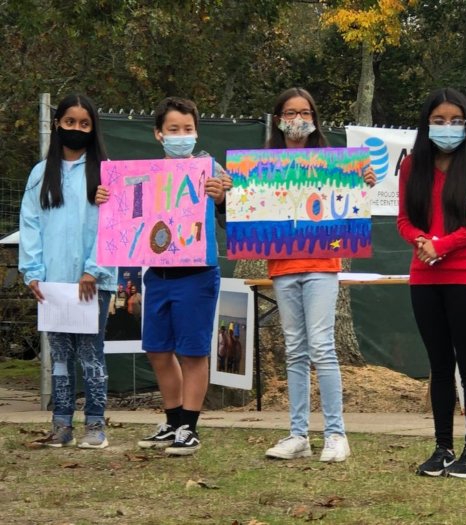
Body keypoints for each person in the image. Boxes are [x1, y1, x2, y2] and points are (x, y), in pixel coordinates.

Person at [96, 97, 231, 456]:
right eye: (173, 130)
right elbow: (121, 216)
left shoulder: (211, 169)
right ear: (159, 134)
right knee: (157, 349)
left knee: (192, 352)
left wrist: (222, 200)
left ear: (196, 131)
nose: (181, 136)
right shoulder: (143, 174)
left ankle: (189, 427)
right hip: (157, 274)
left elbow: (235, 219)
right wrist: (104, 197)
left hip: (198, 274)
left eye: (188, 129)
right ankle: (172, 422)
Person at [263, 87, 376, 463]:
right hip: (282, 265)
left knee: (323, 347)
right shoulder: (262, 164)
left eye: (304, 112)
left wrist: (364, 180)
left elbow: (353, 202)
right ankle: (298, 434)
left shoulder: (334, 162)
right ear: (278, 118)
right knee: (295, 350)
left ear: (314, 118)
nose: (297, 119)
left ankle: (335, 433)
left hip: (322, 265)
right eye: (290, 113)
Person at [397, 87, 466, 478]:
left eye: (456, 121)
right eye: (439, 121)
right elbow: (405, 221)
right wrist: (421, 243)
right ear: (426, 124)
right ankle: (442, 447)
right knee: (439, 367)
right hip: (424, 277)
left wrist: (444, 244)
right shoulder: (412, 166)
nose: (447, 128)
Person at [19, 93, 117, 449]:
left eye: (85, 123)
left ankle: (95, 425)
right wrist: (32, 272)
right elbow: (30, 224)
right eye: (70, 122)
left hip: (94, 282)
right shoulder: (39, 174)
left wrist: (94, 269)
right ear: (58, 124)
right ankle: (61, 425)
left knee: (91, 354)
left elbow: (113, 224)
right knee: (60, 357)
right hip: (53, 283)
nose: (77, 129)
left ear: (93, 128)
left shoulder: (106, 171)